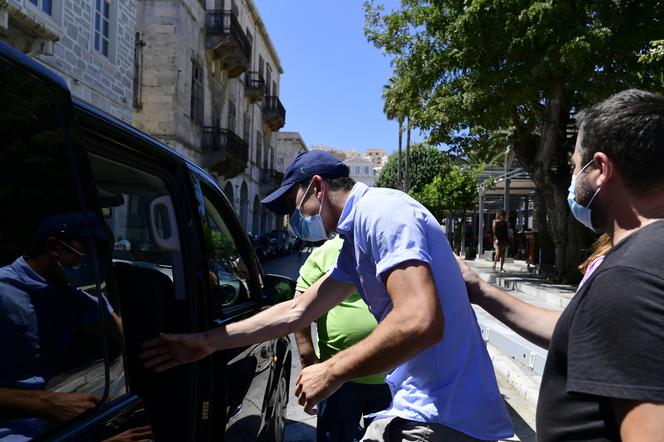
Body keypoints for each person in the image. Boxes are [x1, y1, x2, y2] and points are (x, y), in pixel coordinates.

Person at [140, 149, 514, 441]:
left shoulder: (382, 212)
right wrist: (207, 342)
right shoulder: (355, 240)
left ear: (317, 187)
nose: (294, 219)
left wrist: (331, 371)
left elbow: (420, 320)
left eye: (294, 206)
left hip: (440, 418)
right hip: (421, 408)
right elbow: (298, 310)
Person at [457, 89, 664, 440]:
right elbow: (584, 333)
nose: (571, 179)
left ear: (600, 169)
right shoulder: (642, 261)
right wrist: (480, 291)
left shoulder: (630, 278)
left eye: (573, 167)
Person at [0, 213, 123, 441]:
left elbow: (120, 331)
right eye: (88, 252)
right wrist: (45, 404)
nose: (96, 264)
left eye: (103, 255)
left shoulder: (72, 298)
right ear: (54, 247)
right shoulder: (4, 291)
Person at [294, 236, 391, 442]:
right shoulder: (328, 252)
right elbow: (299, 308)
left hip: (388, 375)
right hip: (341, 376)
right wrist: (308, 360)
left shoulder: (386, 246)